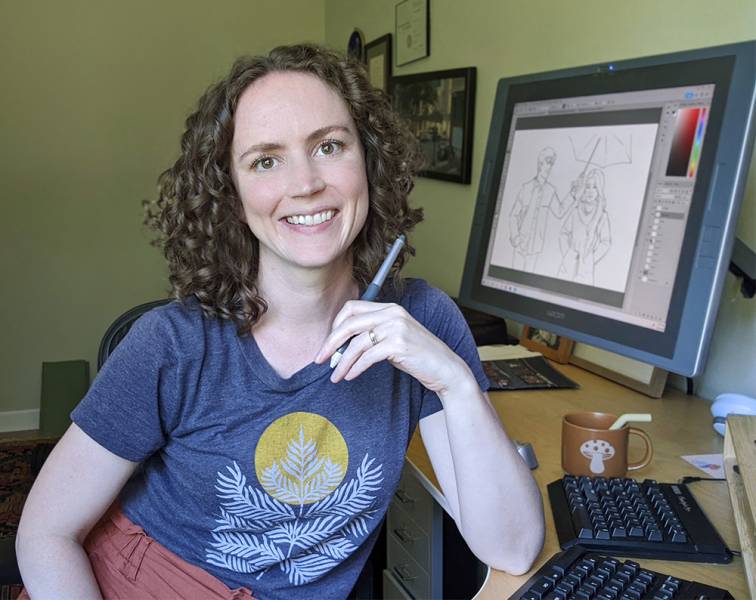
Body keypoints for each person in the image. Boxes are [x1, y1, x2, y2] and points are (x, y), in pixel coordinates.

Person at [16, 44, 544, 599]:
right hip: (137, 582)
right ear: (232, 195)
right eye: (266, 160)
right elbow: (46, 533)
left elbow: (511, 548)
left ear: (369, 159)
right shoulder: (171, 344)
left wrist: (455, 383)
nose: (306, 183)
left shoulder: (425, 320)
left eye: (330, 146)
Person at [509, 146, 576, 272]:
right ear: (540, 163)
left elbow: (560, 212)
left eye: (552, 163)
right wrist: (515, 237)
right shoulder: (526, 187)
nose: (549, 167)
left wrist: (572, 193)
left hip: (535, 248)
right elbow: (513, 215)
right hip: (520, 246)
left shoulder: (550, 190)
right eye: (548, 162)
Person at [558, 168, 612, 285]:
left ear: (599, 191)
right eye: (588, 186)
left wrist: (590, 259)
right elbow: (563, 233)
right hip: (568, 265)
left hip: (585, 269)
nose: (590, 191)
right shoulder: (575, 211)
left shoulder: (602, 216)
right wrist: (568, 253)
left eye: (595, 187)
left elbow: (606, 242)